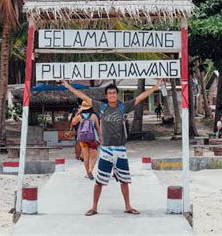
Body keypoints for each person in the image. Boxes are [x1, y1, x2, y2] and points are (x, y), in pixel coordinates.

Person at [62, 79, 163, 216]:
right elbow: (83, 96)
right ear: (106, 96)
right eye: (109, 93)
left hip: (120, 149)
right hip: (106, 150)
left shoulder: (123, 107)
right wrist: (68, 86)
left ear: (117, 94)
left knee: (124, 180)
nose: (112, 95)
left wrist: (156, 87)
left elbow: (140, 97)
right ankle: (94, 207)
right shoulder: (101, 107)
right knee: (99, 181)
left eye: (114, 93)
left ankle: (128, 206)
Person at [71, 101, 102, 180]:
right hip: (92, 138)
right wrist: (100, 137)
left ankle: (88, 174)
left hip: (83, 138)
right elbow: (98, 128)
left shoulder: (79, 116)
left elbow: (73, 123)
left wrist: (78, 113)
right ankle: (91, 170)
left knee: (86, 156)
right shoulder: (94, 116)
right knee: (94, 156)